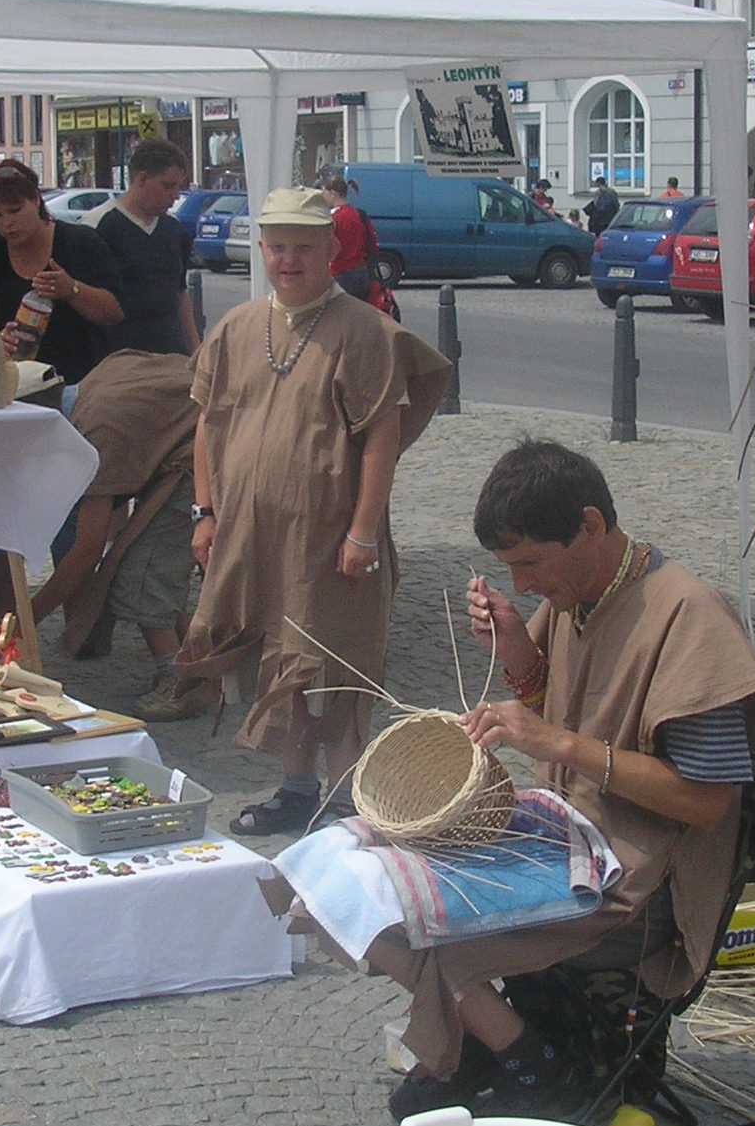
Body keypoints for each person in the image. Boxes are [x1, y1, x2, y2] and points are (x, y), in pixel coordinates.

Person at [368, 440, 755, 1122]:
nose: (522, 584)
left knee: (418, 924)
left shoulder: (688, 617)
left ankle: (534, 1068)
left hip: (634, 882)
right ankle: (505, 1045)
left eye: (531, 563)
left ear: (589, 525)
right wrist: (515, 646)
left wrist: (559, 744)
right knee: (371, 888)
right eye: (510, 568)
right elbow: (556, 701)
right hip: (563, 840)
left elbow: (706, 802)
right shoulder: (580, 592)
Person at [176, 187, 451, 835]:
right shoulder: (236, 327)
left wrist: (363, 532)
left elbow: (382, 435)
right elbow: (208, 423)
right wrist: (204, 512)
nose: (289, 260)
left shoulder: (364, 331)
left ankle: (352, 802)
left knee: (340, 666)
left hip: (330, 536)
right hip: (251, 534)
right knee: (279, 662)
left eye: (303, 247)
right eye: (277, 247)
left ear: (330, 249)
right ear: (261, 249)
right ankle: (296, 791)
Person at [30, 349, 210, 721]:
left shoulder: (97, 429)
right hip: (202, 447)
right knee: (158, 569)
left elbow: (88, 549)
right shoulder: (100, 377)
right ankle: (196, 668)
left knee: (141, 575)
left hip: (200, 459)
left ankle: (178, 684)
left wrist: (25, 619)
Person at [0, 160, 124, 387]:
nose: (8, 223)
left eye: (15, 210)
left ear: (36, 200)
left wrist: (72, 290)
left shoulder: (80, 243)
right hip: (11, 387)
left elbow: (114, 313)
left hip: (80, 383)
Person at [94, 138, 200, 355]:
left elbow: (180, 293)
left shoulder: (174, 230)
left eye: (178, 187)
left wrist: (196, 349)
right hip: (120, 357)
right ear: (142, 179)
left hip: (172, 354)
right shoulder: (101, 225)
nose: (175, 196)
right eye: (168, 186)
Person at [320, 174, 376, 301]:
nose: (323, 197)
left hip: (339, 272)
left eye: (324, 193)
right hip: (361, 272)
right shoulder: (360, 215)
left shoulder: (332, 218)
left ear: (333, 193)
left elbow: (326, 247)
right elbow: (372, 246)